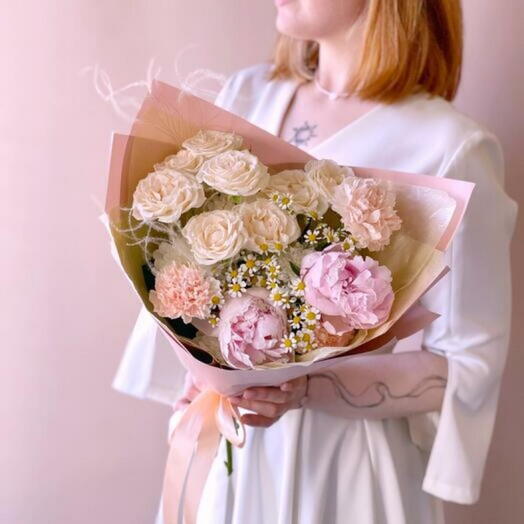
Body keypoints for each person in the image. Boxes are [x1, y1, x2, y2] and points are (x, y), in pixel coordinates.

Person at [113, 1, 518, 522]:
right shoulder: (248, 95)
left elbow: (465, 364)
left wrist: (304, 387)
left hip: (345, 470)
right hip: (229, 448)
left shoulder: (450, 145)